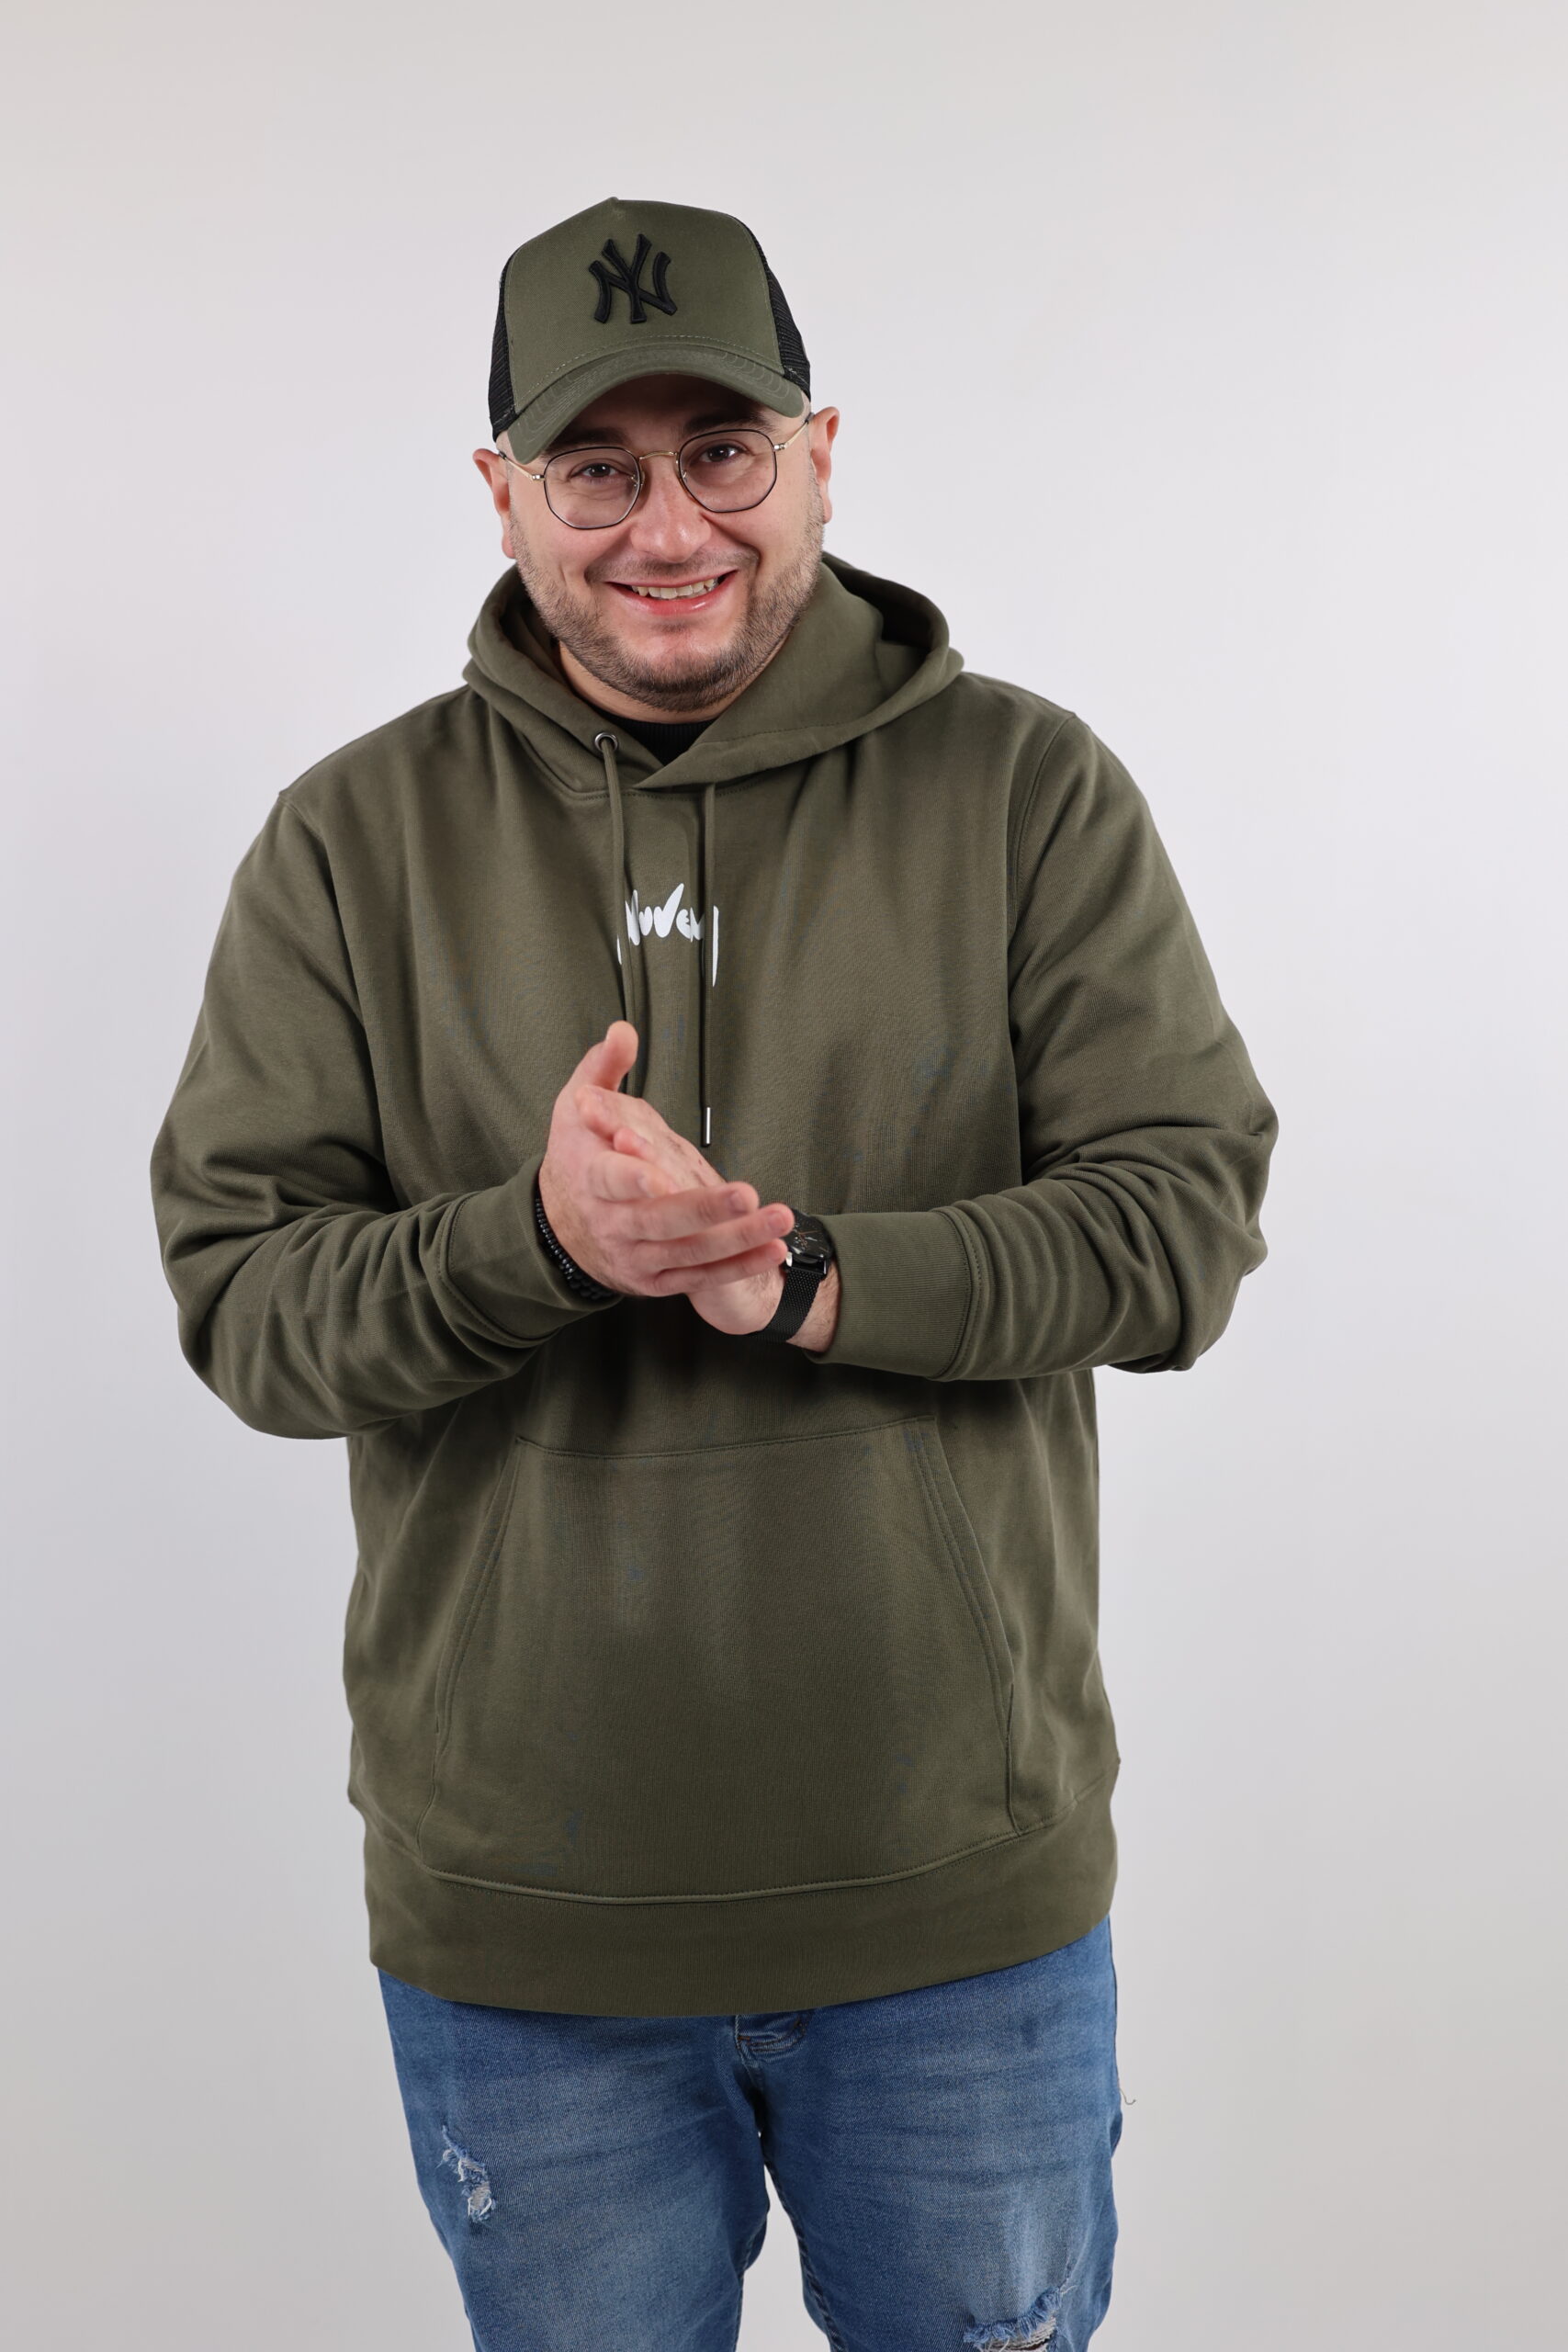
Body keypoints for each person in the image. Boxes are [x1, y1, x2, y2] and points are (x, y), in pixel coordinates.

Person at [150, 196, 1278, 2350]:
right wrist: (532, 1243)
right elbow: (246, 1305)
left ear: (821, 453)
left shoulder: (1025, 791)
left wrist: (815, 1276)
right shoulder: (348, 842)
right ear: (501, 492)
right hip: (526, 1927)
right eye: (595, 467)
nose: (666, 526)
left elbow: (1179, 1223)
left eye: (722, 451)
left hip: (957, 1909)